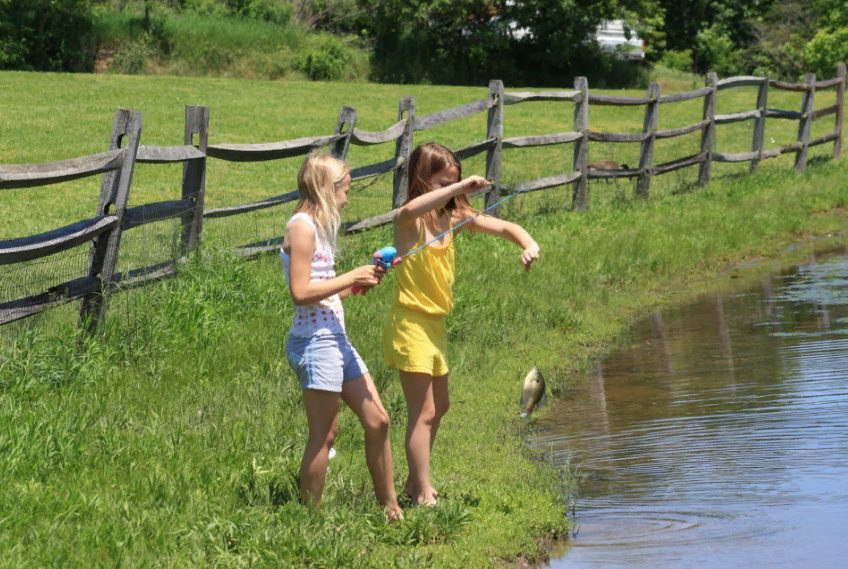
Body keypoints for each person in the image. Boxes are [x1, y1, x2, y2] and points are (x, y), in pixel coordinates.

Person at [383, 142, 540, 506]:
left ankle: (412, 482)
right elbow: (407, 207)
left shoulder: (450, 218)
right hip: (410, 324)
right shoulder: (410, 221)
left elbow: (504, 227)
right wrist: (460, 188)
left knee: (441, 405)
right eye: (443, 183)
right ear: (423, 181)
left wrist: (527, 243)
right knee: (422, 413)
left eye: (454, 182)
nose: (452, 190)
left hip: (434, 326)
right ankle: (423, 492)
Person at [281, 153, 403, 519]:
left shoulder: (318, 229)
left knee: (378, 421)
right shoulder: (301, 227)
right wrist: (351, 276)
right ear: (326, 188)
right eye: (344, 191)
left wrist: (360, 283)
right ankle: (310, 521)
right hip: (314, 342)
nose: (347, 200)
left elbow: (324, 288)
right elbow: (300, 292)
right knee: (325, 434)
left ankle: (391, 507)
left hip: (336, 338)